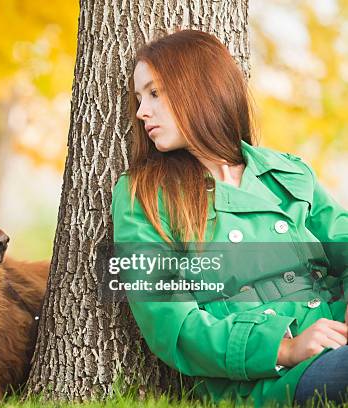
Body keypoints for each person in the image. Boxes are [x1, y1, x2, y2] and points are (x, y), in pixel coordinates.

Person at [111, 29, 348, 406]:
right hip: (267, 373)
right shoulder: (141, 194)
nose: (141, 112)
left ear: (199, 89)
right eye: (139, 98)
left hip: (336, 331)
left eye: (155, 93)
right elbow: (171, 323)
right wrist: (285, 349)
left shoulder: (287, 172)